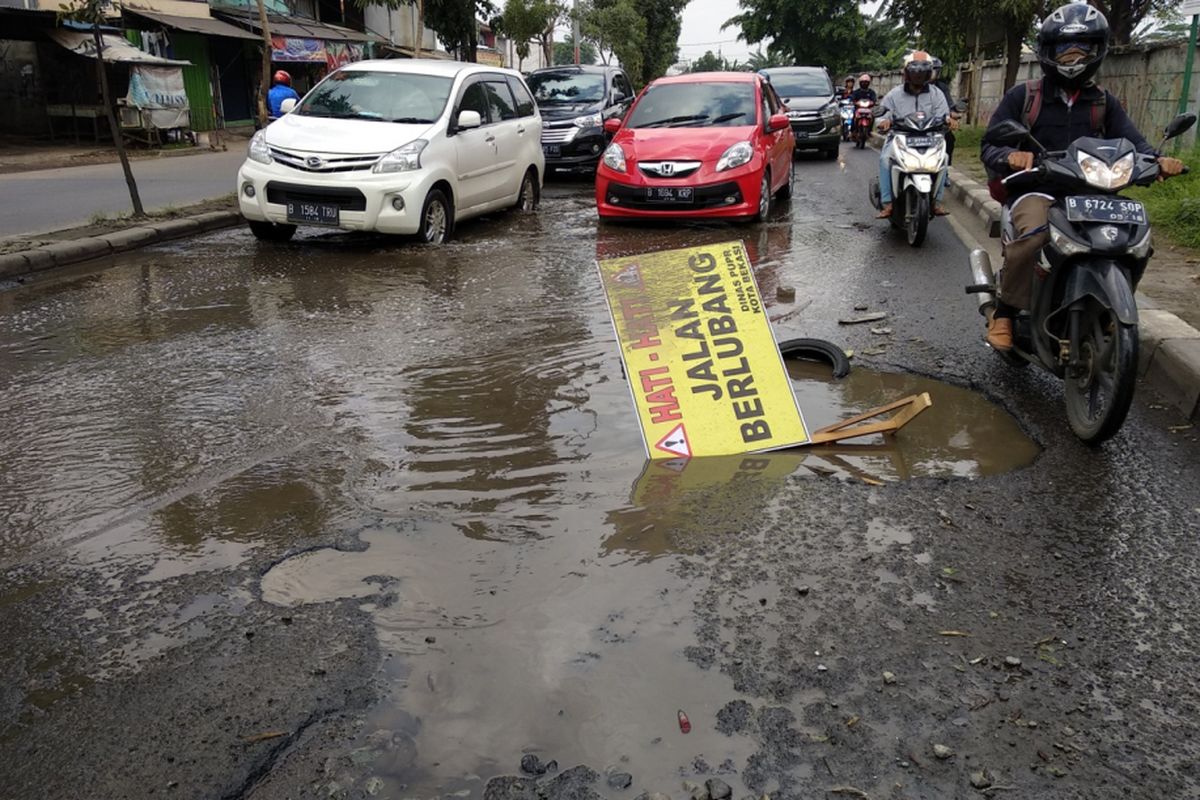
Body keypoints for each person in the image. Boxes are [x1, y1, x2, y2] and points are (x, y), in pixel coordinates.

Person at [980, 3, 1184, 350]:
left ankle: (1108, 308)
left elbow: (1136, 144)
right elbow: (990, 145)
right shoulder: (1025, 96)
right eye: (1064, 47)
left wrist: (1159, 160)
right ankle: (1006, 312)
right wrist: (1011, 156)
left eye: (1083, 47)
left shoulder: (1104, 101)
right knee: (1033, 238)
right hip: (1038, 190)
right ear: (1048, 51)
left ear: (1097, 50)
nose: (1073, 55)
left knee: (1134, 241)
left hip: (1094, 193)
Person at [875, 51, 953, 219]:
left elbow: (944, 114)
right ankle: (887, 202)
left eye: (922, 73)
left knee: (944, 159)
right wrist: (884, 121)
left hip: (930, 138)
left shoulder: (936, 94)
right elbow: (883, 114)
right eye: (915, 72)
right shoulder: (894, 94)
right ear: (907, 73)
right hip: (899, 136)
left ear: (928, 74)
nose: (918, 77)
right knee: (885, 159)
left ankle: (936, 202)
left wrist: (949, 120)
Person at [930, 57, 957, 165]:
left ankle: (946, 168)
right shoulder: (908, 88)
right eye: (930, 70)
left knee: (950, 139)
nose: (932, 73)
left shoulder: (942, 88)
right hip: (913, 126)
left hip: (936, 124)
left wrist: (952, 115)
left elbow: (949, 104)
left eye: (935, 70)